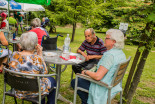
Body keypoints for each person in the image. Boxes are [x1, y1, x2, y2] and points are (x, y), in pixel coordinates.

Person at [71, 29, 126, 104]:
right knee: (80, 73)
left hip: (103, 87)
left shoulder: (109, 55)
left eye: (106, 38)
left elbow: (97, 77)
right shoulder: (121, 53)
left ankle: (86, 102)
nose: (104, 39)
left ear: (114, 41)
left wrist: (85, 72)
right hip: (113, 86)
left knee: (75, 81)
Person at [9, 32, 56, 104]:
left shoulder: (14, 54)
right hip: (34, 91)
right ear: (35, 44)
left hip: (18, 89)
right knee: (52, 80)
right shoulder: (37, 58)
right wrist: (40, 55)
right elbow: (45, 73)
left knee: (38, 80)